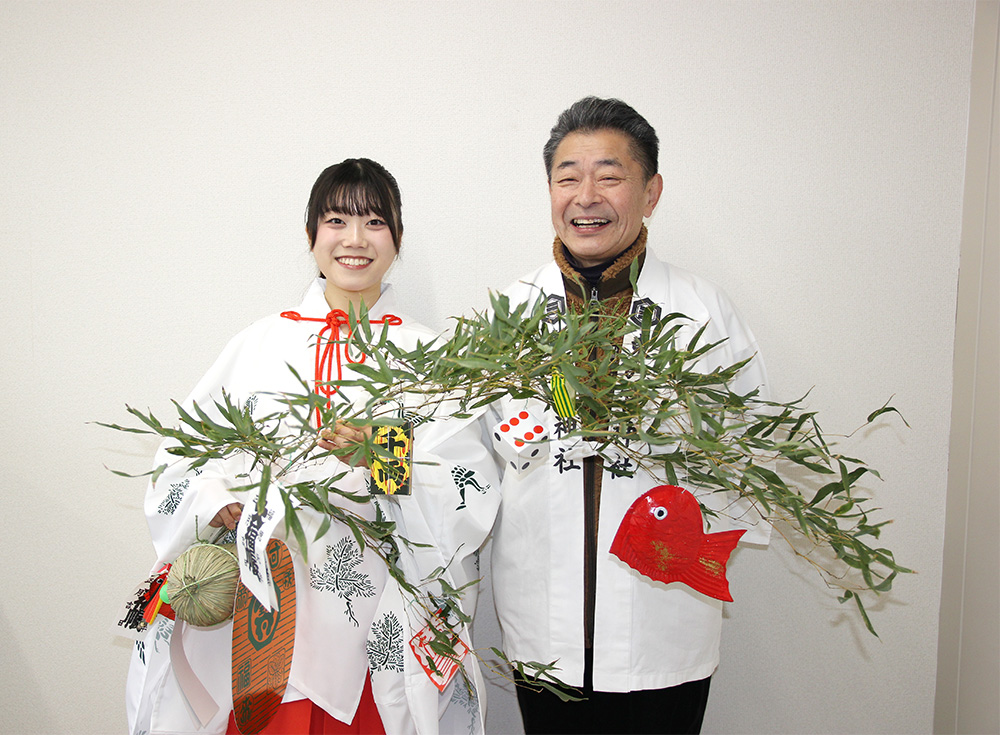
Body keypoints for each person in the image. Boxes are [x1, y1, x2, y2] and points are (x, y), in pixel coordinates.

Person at [125, 159, 498, 735]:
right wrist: (214, 500)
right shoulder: (259, 343)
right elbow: (185, 456)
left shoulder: (429, 357)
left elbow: (463, 485)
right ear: (310, 235)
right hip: (261, 615)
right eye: (336, 220)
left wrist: (383, 455)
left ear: (398, 237)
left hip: (373, 609)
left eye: (375, 221)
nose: (355, 240)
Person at [487, 97, 771, 734]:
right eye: (568, 177)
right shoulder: (511, 314)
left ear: (652, 191)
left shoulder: (701, 311)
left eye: (609, 175)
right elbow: (469, 459)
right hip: (546, 624)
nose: (586, 195)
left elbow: (753, 454)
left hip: (659, 619)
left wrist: (696, 540)